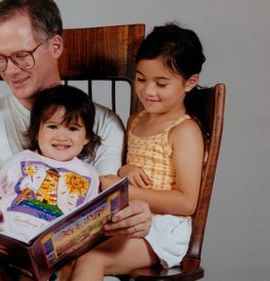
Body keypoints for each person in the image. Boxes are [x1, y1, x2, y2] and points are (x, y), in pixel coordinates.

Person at [0, 0, 153, 257]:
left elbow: (102, 206)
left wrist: (135, 215)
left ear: (55, 46)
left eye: (22, 56)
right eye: (0, 59)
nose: (10, 71)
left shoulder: (104, 123)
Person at [62, 23, 207, 280]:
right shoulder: (137, 121)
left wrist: (125, 189)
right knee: (67, 253)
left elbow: (186, 202)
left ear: (190, 82)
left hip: (164, 229)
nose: (148, 90)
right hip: (129, 218)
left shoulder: (184, 131)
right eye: (141, 79)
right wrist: (125, 170)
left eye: (161, 83)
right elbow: (129, 168)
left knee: (92, 258)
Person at [0, 85, 102, 280]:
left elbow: (89, 218)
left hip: (50, 254)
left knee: (58, 269)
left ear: (87, 138)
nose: (62, 136)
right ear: (36, 132)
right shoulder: (21, 160)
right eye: (52, 126)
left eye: (73, 128)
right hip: (7, 242)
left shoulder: (88, 174)